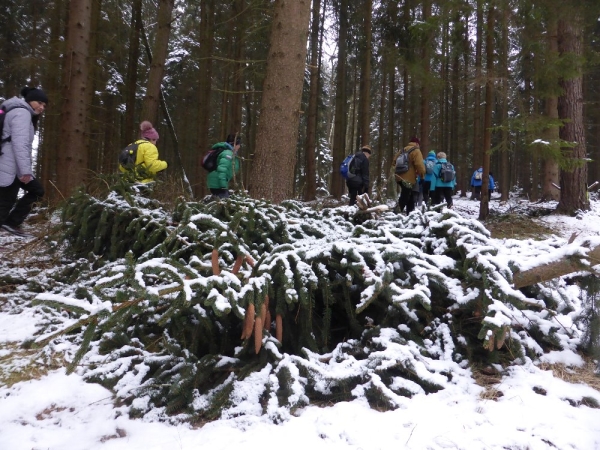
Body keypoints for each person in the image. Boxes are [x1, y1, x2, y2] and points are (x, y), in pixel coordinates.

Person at [0, 87, 48, 237]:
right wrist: (25, 171)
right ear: (29, 101)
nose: (41, 107)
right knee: (5, 203)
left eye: (44, 105)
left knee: (37, 191)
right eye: (39, 103)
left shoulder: (17, 111)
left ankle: (10, 223)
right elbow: (20, 144)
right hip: (11, 166)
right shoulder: (22, 113)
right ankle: (8, 224)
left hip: (11, 164)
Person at [392, 136, 425, 214]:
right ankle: (395, 213)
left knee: (410, 195)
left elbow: (393, 163)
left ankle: (410, 213)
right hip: (408, 178)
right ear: (417, 144)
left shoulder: (401, 151)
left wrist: (396, 174)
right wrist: (422, 176)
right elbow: (419, 165)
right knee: (405, 195)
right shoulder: (416, 151)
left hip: (399, 177)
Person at [207, 133, 241, 199]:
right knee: (223, 204)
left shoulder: (229, 152)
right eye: (239, 144)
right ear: (234, 144)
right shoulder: (228, 154)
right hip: (217, 184)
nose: (239, 146)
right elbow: (222, 170)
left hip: (216, 182)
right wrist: (223, 186)